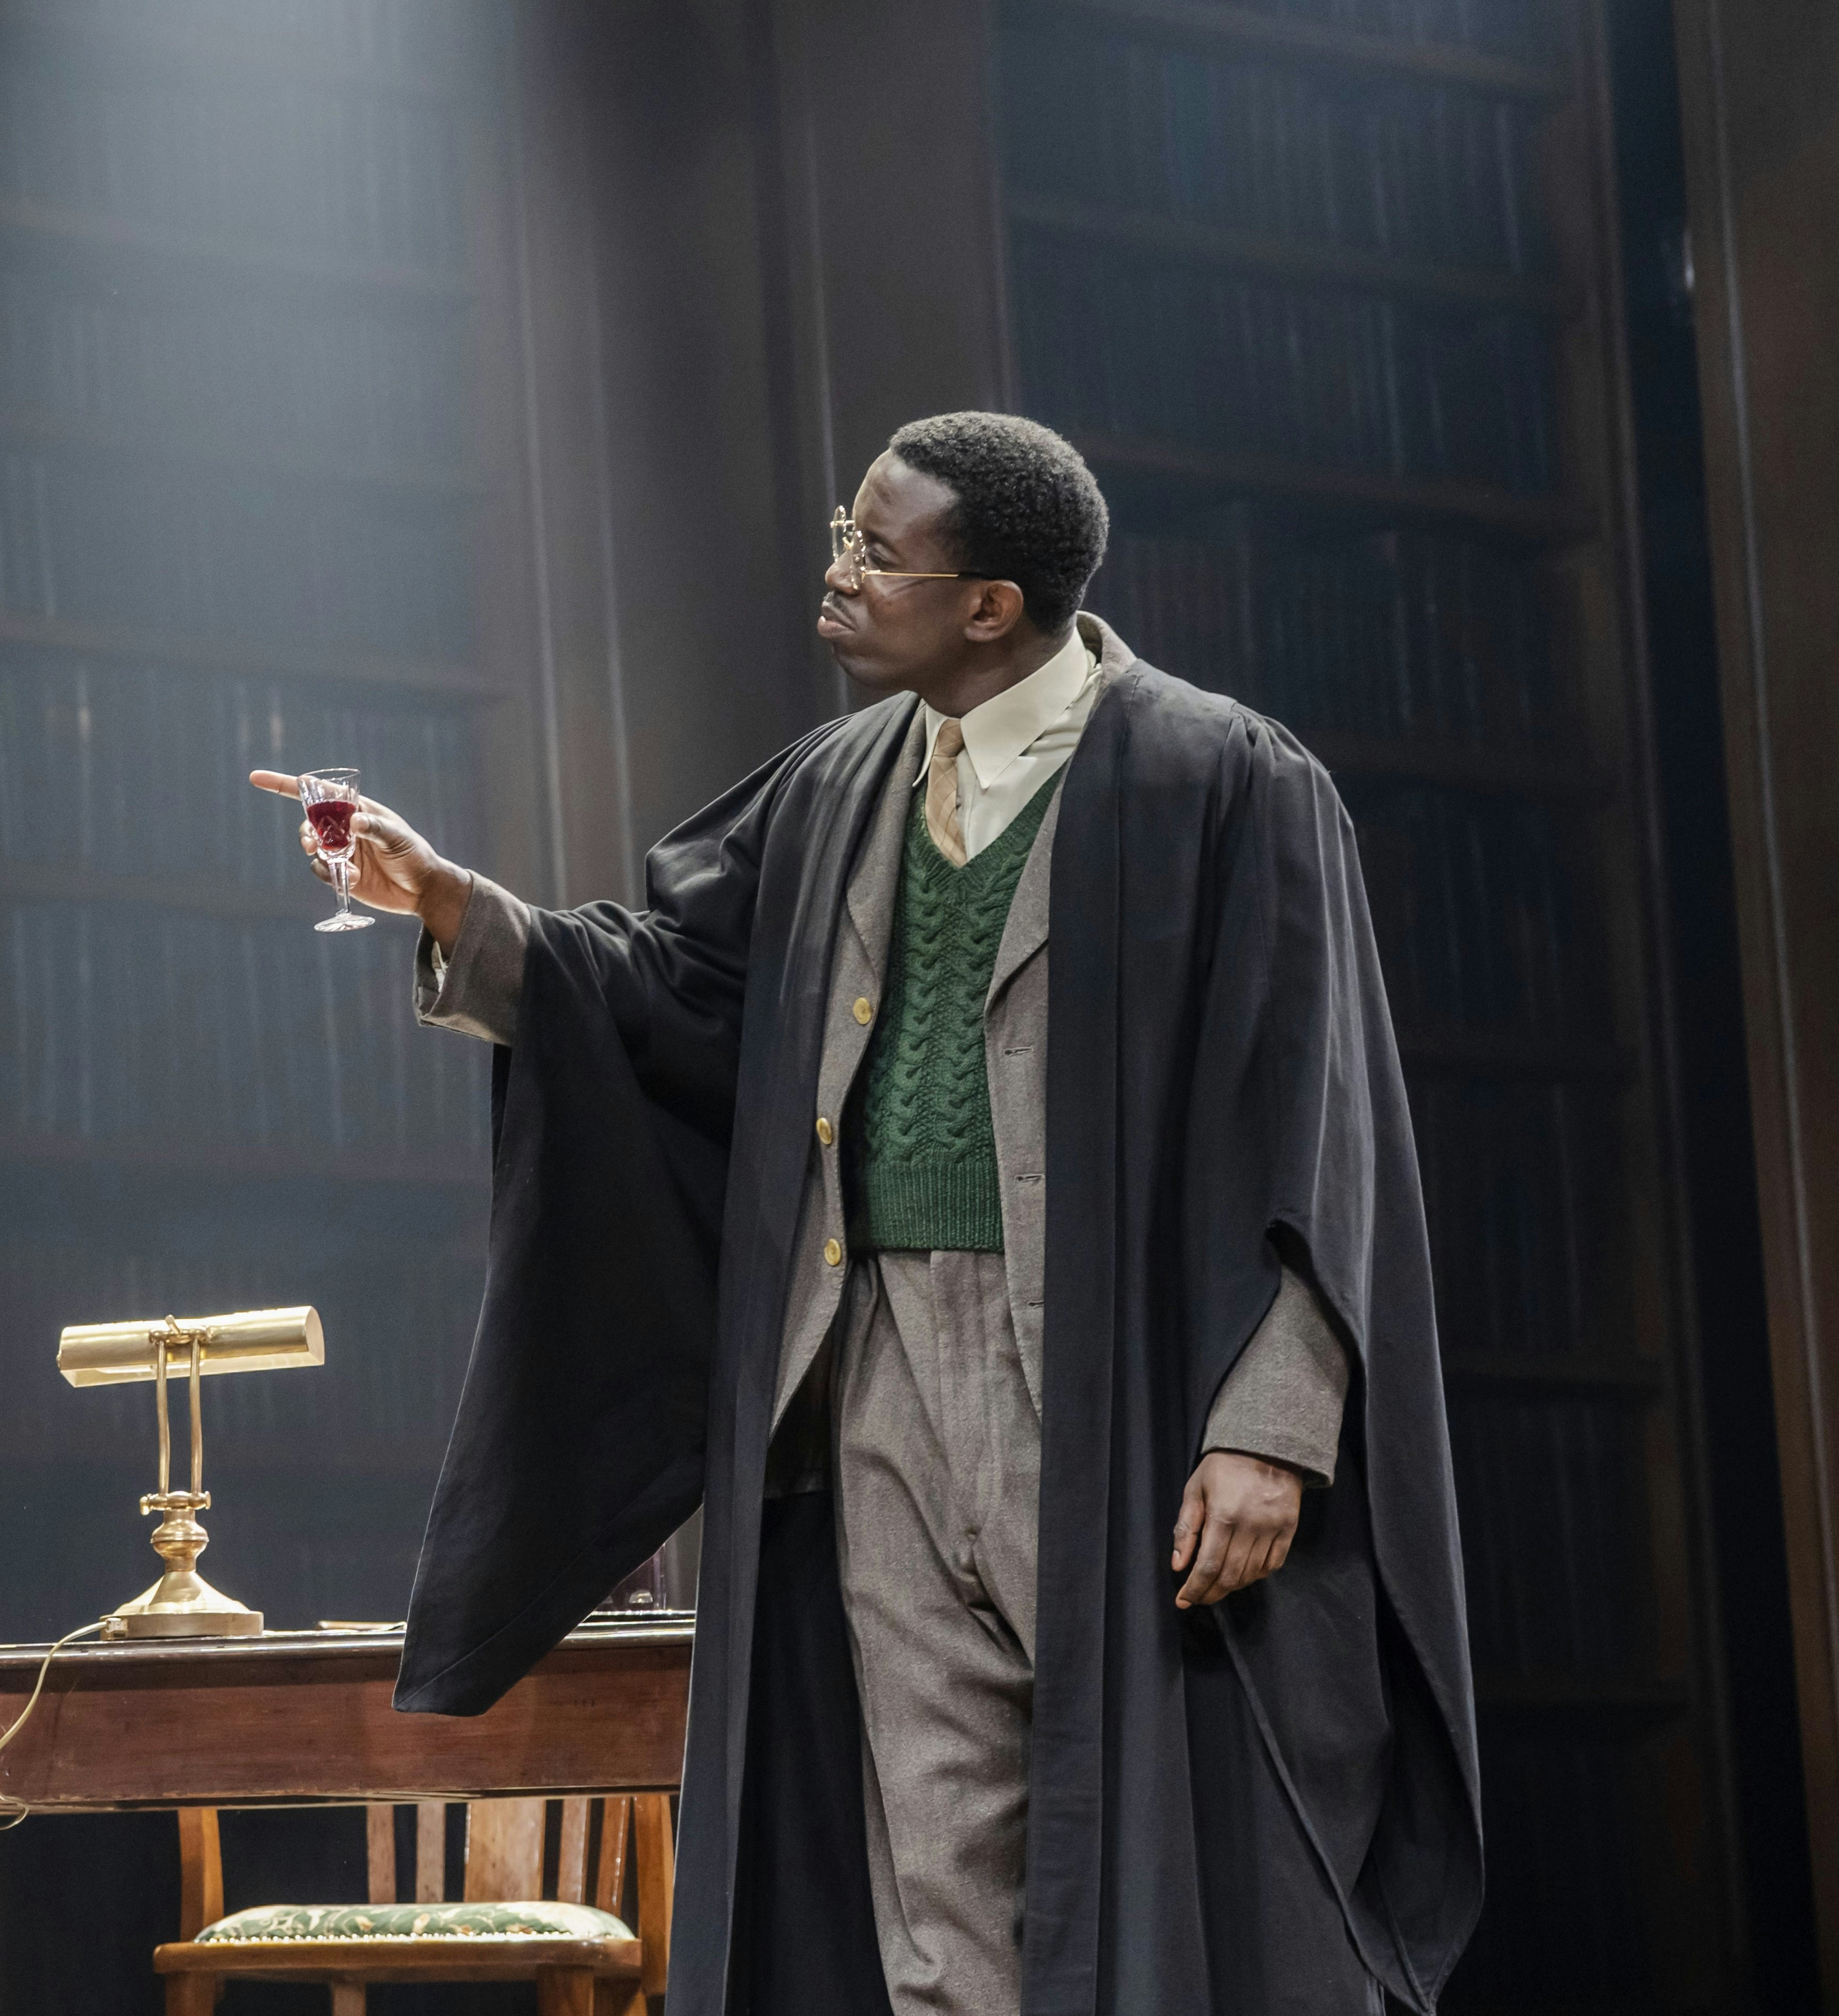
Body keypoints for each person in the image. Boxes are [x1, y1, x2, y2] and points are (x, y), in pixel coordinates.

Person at [256, 413, 1478, 2015]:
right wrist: (451, 906)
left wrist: (1275, 1424)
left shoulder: (1221, 780)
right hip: (875, 1370)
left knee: (1148, 1850)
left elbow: (1323, 1118)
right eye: (847, 531)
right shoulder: (841, 784)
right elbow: (681, 991)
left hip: (1126, 1393)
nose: (835, 572)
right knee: (934, 1863)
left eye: (877, 553)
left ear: (990, 604)